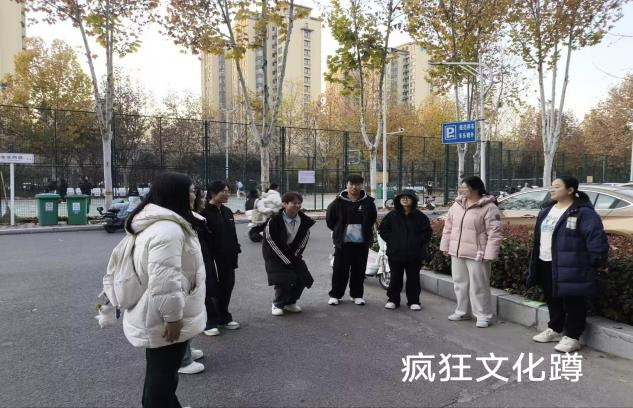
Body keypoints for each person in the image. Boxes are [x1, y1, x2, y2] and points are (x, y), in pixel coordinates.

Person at [122, 172, 206, 408]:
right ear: (176, 194)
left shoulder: (164, 224)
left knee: (161, 374)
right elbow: (165, 281)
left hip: (156, 311)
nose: (195, 195)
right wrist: (173, 318)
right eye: (191, 191)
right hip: (163, 316)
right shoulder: (169, 230)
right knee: (162, 378)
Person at [526, 176, 608, 353]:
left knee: (573, 300)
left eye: (557, 186)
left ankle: (572, 336)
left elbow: (595, 238)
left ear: (570, 190)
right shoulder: (546, 210)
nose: (552, 189)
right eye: (551, 186)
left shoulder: (582, 212)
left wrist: (596, 260)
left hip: (572, 263)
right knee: (552, 297)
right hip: (546, 261)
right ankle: (555, 329)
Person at [439, 176, 502, 328]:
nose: (462, 190)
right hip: (457, 252)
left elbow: (494, 233)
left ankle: (483, 315)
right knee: (459, 284)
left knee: (479, 285)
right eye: (461, 187)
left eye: (465, 187)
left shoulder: (489, 207)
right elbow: (448, 227)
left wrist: (490, 254)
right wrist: (445, 246)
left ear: (476, 188)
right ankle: (462, 311)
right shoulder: (457, 205)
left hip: (478, 254)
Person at [326, 174, 377, 306]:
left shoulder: (368, 202)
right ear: (347, 185)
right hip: (343, 244)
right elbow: (330, 220)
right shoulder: (337, 202)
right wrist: (339, 231)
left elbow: (372, 219)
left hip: (361, 243)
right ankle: (335, 295)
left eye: (357, 184)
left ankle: (357, 295)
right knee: (339, 270)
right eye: (351, 184)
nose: (354, 187)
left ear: (362, 186)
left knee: (359, 270)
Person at [263, 192, 316, 316]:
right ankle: (277, 304)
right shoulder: (274, 220)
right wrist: (285, 260)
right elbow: (270, 241)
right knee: (283, 279)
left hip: (293, 255)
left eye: (299, 203)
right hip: (274, 255)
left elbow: (303, 242)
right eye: (294, 203)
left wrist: (294, 257)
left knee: (303, 277)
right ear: (285, 204)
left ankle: (290, 302)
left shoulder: (305, 221)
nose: (297, 205)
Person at [378, 189, 432, 311]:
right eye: (402, 197)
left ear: (414, 200)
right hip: (396, 253)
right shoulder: (392, 216)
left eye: (408, 197)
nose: (405, 199)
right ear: (398, 200)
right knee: (395, 278)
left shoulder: (420, 217)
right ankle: (393, 300)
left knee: (413, 278)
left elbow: (427, 233)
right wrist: (393, 240)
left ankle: (414, 301)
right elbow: (383, 230)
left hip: (414, 254)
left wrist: (417, 242)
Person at [201, 181, 241, 336]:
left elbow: (232, 234)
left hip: (227, 255)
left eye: (228, 191)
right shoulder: (203, 212)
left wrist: (235, 249)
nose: (227, 194)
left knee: (227, 284)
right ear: (213, 193)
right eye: (223, 191)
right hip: (209, 256)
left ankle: (223, 317)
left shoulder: (227, 211)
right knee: (210, 287)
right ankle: (209, 321)